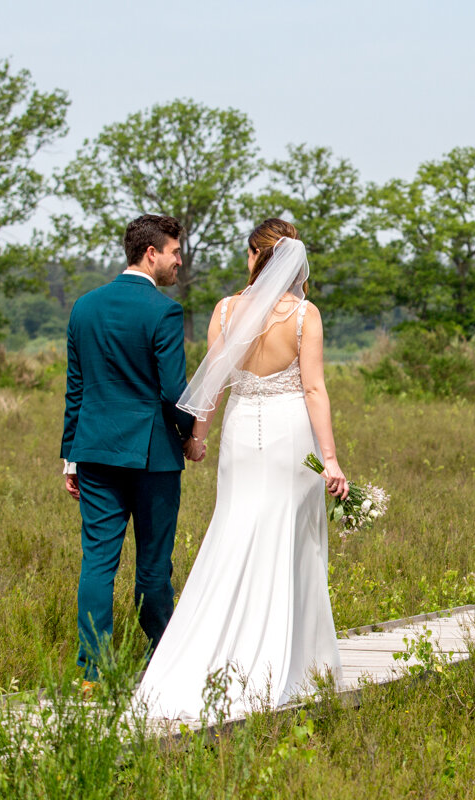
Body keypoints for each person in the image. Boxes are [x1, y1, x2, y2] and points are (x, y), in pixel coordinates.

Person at [133, 219, 346, 719]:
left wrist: (197, 439)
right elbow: (314, 389)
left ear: (257, 255)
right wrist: (330, 459)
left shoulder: (227, 310)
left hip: (240, 429)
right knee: (291, 537)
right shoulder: (303, 315)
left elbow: (213, 383)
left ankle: (212, 648)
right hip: (290, 436)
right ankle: (294, 662)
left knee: (233, 529)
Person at [59, 214, 203, 682]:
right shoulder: (163, 311)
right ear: (151, 254)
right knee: (153, 565)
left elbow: (75, 389)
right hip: (152, 457)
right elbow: (172, 391)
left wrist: (70, 455)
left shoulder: (84, 307)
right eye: (175, 252)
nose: (180, 261)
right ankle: (164, 654)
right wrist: (188, 435)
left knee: (97, 562)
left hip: (95, 452)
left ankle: (92, 672)